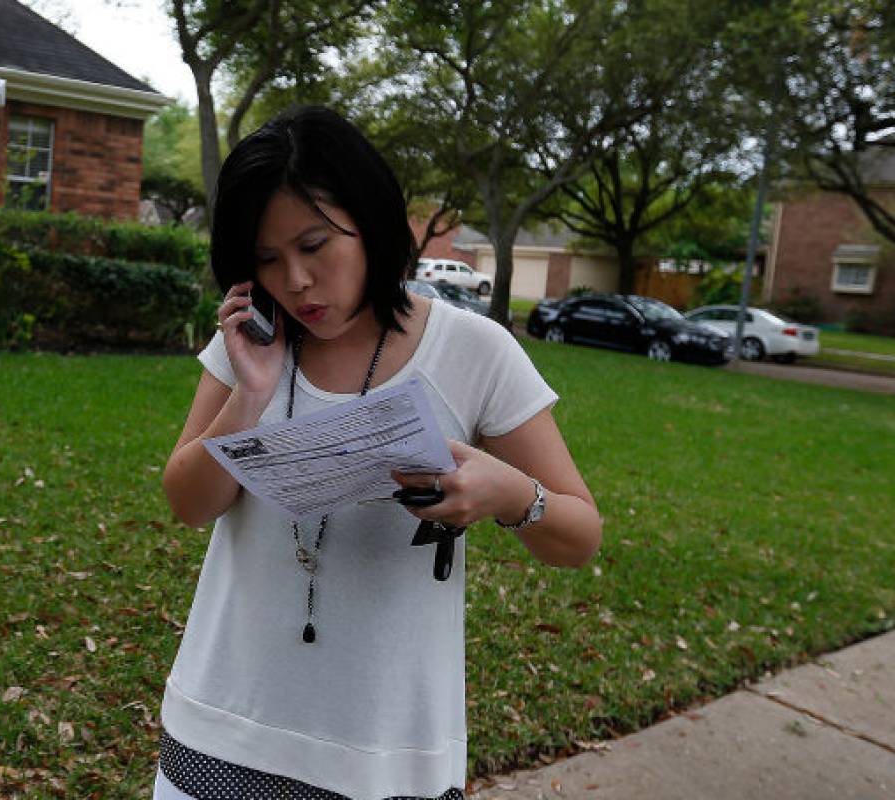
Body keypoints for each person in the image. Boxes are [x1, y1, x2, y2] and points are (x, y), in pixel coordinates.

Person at [156, 106, 601, 800]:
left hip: (386, 749)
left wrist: (509, 494)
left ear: (372, 225)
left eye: (315, 245)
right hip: (224, 724)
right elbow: (187, 504)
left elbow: (578, 537)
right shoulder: (251, 340)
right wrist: (249, 394)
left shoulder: (473, 351)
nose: (295, 281)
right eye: (267, 258)